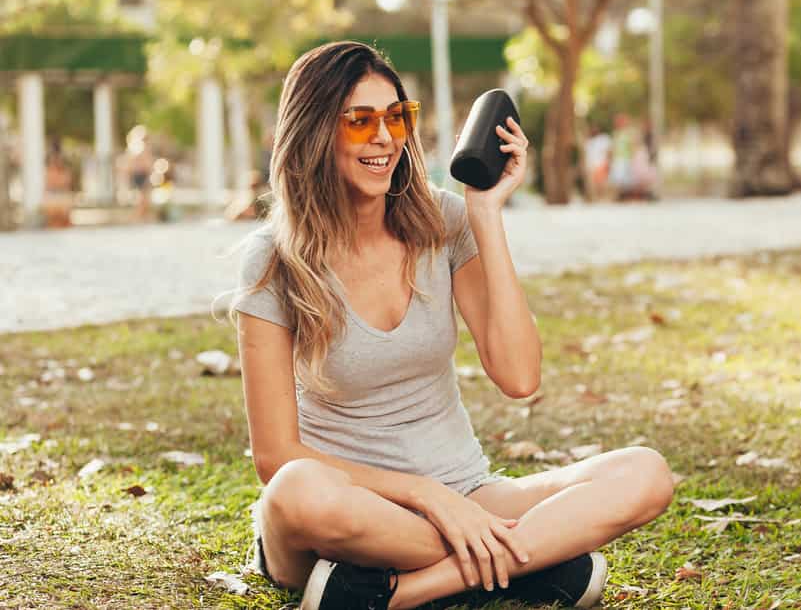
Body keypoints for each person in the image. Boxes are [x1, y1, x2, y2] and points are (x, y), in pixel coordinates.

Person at [230, 41, 674, 610]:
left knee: (645, 474)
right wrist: (426, 496)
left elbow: (519, 377)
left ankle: (403, 593)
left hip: (469, 491)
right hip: (347, 509)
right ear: (315, 132)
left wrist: (486, 213)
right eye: (360, 122)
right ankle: (526, 563)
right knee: (294, 490)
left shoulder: (445, 220)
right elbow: (276, 456)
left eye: (396, 117)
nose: (385, 138)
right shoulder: (272, 259)